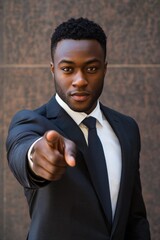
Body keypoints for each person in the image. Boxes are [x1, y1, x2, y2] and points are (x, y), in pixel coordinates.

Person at [6, 18, 151, 240]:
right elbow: (23, 150)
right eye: (68, 69)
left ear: (105, 69)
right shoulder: (32, 122)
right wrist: (36, 157)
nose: (80, 80)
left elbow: (135, 216)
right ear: (53, 70)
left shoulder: (127, 128)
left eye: (91, 68)